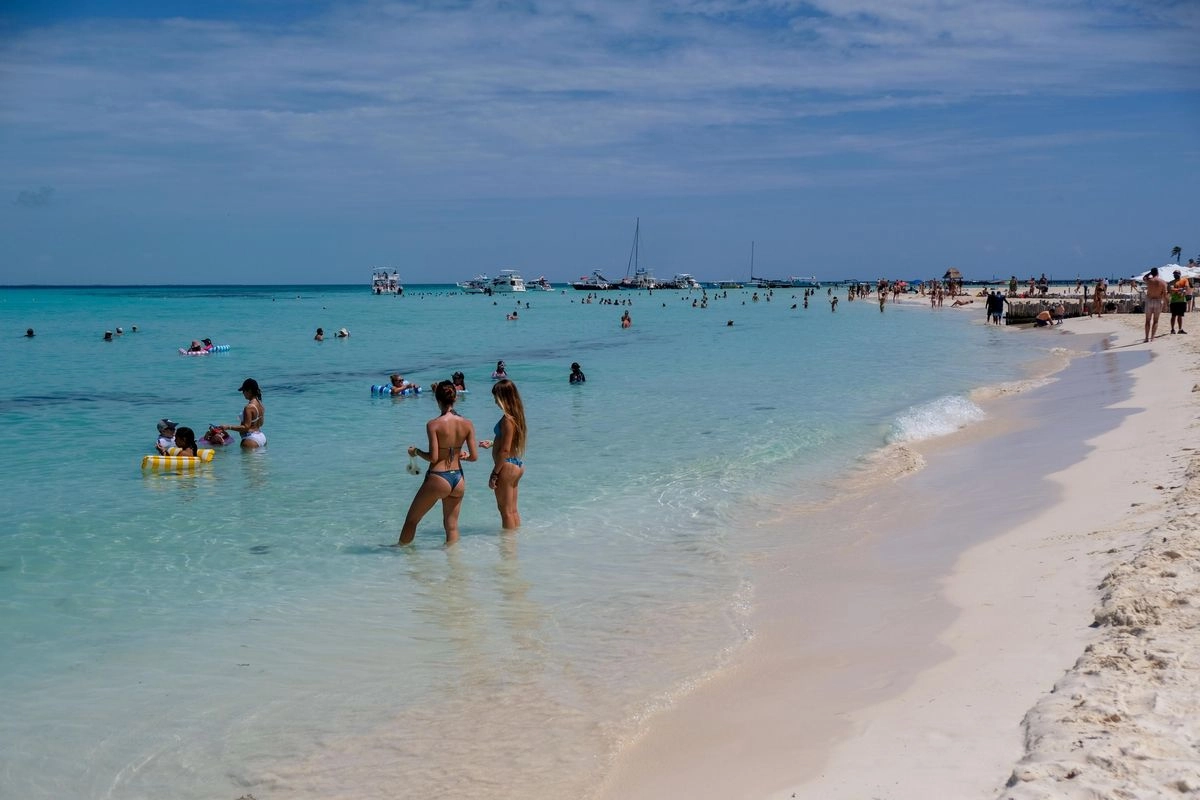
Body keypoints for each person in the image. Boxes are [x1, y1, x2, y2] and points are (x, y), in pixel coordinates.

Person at [396, 381, 479, 546]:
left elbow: (434, 458)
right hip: (459, 479)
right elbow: (474, 457)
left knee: (412, 520)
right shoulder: (467, 423)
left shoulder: (433, 424)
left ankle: (400, 555)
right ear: (455, 398)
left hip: (439, 477)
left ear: (437, 400)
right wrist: (462, 455)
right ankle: (453, 565)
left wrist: (416, 452)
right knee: (452, 527)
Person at [479, 379, 526, 529]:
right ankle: (514, 543)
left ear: (503, 397)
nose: (495, 402)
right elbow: (510, 442)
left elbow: (505, 451)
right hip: (516, 465)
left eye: (496, 398)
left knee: (505, 511)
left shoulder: (507, 419)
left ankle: (508, 549)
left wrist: (494, 473)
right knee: (512, 510)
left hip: (506, 467)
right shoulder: (517, 417)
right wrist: (492, 443)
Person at [220, 378, 266, 448]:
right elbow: (261, 423)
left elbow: (246, 428)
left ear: (249, 391)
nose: (243, 393)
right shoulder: (260, 404)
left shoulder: (249, 407)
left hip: (251, 440)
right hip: (261, 437)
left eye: (243, 391)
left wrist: (228, 427)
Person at [1144, 267, 1168, 343]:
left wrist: (1149, 274)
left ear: (1152, 273)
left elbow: (1144, 277)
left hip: (1149, 301)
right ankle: (1152, 338)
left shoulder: (1149, 281)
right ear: (1158, 273)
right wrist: (1166, 304)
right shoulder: (1163, 282)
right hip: (1158, 301)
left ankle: (1146, 338)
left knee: (1147, 320)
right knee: (1155, 320)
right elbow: (1165, 294)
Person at [1169, 269, 1189, 334]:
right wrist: (1180, 289)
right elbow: (1171, 290)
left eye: (1177, 273)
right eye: (1174, 274)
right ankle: (1172, 329)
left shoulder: (1184, 280)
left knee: (1180, 315)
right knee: (1173, 315)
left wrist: (1177, 290)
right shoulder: (1171, 282)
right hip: (1174, 301)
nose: (1175, 275)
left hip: (1182, 300)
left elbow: (1186, 288)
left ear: (1180, 274)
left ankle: (1180, 329)